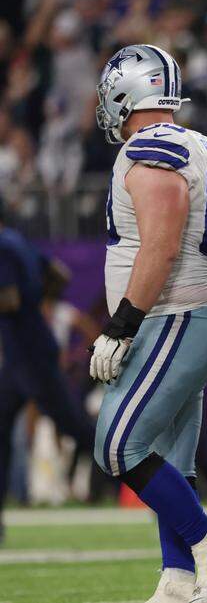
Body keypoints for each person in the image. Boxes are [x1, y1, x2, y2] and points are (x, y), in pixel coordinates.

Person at [88, 44, 207, 603]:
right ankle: (179, 580)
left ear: (124, 93)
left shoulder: (151, 147)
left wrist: (122, 323)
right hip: (187, 316)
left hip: (171, 317)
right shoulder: (191, 141)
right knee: (172, 460)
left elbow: (159, 244)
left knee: (116, 446)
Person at [0, 200, 95, 546]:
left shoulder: (3, 246)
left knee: (78, 428)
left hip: (28, 354)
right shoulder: (17, 241)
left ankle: (149, 475)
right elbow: (59, 275)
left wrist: (26, 306)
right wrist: (39, 302)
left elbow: (8, 300)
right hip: (23, 353)